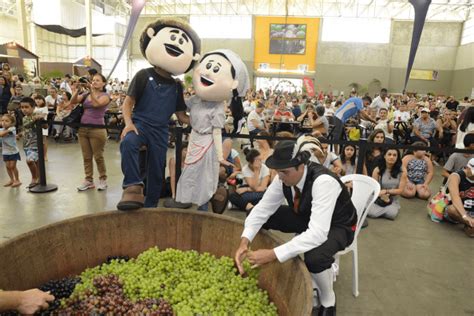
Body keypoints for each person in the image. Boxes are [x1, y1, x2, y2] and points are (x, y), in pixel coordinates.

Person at [234, 137, 357, 315]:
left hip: (339, 225)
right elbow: (262, 210)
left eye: (284, 172)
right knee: (256, 214)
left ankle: (328, 299)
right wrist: (244, 242)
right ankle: (256, 260)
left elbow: (318, 233)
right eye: (277, 171)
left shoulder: (323, 182)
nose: (279, 177)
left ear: (302, 166)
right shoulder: (283, 179)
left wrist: (272, 254)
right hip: (307, 215)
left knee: (315, 257)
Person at [117, 19, 201, 210]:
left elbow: (181, 116)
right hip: (140, 124)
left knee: (157, 169)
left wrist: (201, 121)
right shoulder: (143, 75)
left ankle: (151, 206)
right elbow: (128, 102)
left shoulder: (176, 86)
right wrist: (128, 124)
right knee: (128, 143)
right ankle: (132, 185)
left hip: (161, 131)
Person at [175, 49, 249, 213]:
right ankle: (185, 201)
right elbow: (182, 106)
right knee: (189, 172)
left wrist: (220, 156)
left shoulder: (218, 108)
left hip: (208, 142)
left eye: (216, 69)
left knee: (205, 177)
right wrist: (177, 88)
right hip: (194, 139)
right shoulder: (196, 100)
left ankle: (203, 208)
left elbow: (217, 132)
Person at [70, 73, 110, 191]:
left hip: (97, 129)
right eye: (93, 80)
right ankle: (88, 180)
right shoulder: (86, 94)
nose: (94, 82)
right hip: (83, 129)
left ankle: (103, 179)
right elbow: (73, 101)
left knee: (98, 156)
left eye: (98, 80)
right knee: (86, 157)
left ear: (104, 83)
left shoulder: (106, 95)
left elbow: (96, 104)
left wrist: (91, 90)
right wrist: (76, 90)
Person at [368, 149, 407, 220]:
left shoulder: (402, 171)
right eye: (389, 154)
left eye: (394, 155)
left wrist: (387, 192)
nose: (392, 157)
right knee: (372, 213)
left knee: (391, 214)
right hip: (378, 196)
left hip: (392, 198)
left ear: (397, 158)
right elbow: (374, 188)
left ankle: (382, 210)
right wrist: (381, 194)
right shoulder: (377, 170)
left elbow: (400, 190)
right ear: (384, 156)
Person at [228, 148, 271, 213]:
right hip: (251, 189)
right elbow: (253, 186)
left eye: (260, 159)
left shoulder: (265, 168)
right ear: (250, 163)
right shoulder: (245, 169)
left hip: (260, 191)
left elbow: (262, 188)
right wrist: (256, 170)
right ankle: (251, 207)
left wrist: (246, 189)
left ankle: (243, 205)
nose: (260, 162)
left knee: (265, 197)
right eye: (258, 160)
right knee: (232, 196)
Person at [443, 158, 474, 237]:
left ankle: (470, 225)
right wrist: (465, 216)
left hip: (472, 210)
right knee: (452, 209)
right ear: (467, 167)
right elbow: (455, 198)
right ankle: (469, 223)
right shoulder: (456, 176)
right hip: (457, 209)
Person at [19, 97, 40, 189]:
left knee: (30, 161)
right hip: (26, 144)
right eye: (22, 107)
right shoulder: (25, 118)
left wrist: (41, 119)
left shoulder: (38, 115)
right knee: (35, 162)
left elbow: (45, 126)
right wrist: (34, 120)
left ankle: (34, 178)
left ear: (33, 107)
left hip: (36, 144)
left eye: (26, 107)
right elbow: (27, 125)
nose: (24, 109)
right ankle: (39, 178)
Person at [0, 114, 21, 187]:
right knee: (7, 166)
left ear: (11, 123)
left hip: (13, 152)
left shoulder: (12, 128)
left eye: (6, 121)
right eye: (2, 120)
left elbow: (2, 134)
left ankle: (17, 180)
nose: (4, 122)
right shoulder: (1, 129)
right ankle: (11, 180)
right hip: (5, 152)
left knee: (12, 166)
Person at [33, 95, 49, 161]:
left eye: (39, 99)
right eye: (36, 99)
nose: (38, 100)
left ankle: (45, 155)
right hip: (35, 126)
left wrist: (36, 116)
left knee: (43, 142)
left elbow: (43, 115)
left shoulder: (45, 108)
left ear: (43, 100)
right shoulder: (34, 108)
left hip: (43, 127)